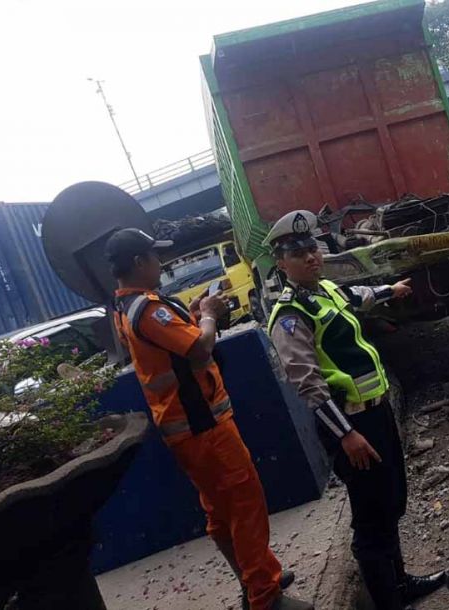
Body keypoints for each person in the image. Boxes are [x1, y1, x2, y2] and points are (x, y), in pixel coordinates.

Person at [105, 228, 312, 610]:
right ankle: (265, 597)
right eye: (155, 256)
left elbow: (173, 347)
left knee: (220, 510)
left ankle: (255, 577)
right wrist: (208, 316)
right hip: (203, 425)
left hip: (184, 430)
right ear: (138, 262)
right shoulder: (150, 309)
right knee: (245, 502)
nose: (161, 263)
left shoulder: (128, 307)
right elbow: (200, 347)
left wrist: (195, 313)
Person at [264, 211, 447, 610]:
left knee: (392, 500)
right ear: (281, 263)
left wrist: (391, 289)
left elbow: (359, 296)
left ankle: (400, 583)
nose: (310, 257)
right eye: (297, 252)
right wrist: (346, 433)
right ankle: (387, 600)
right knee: (370, 517)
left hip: (376, 413)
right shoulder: (290, 315)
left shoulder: (325, 290)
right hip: (350, 424)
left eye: (312, 248)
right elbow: (307, 384)